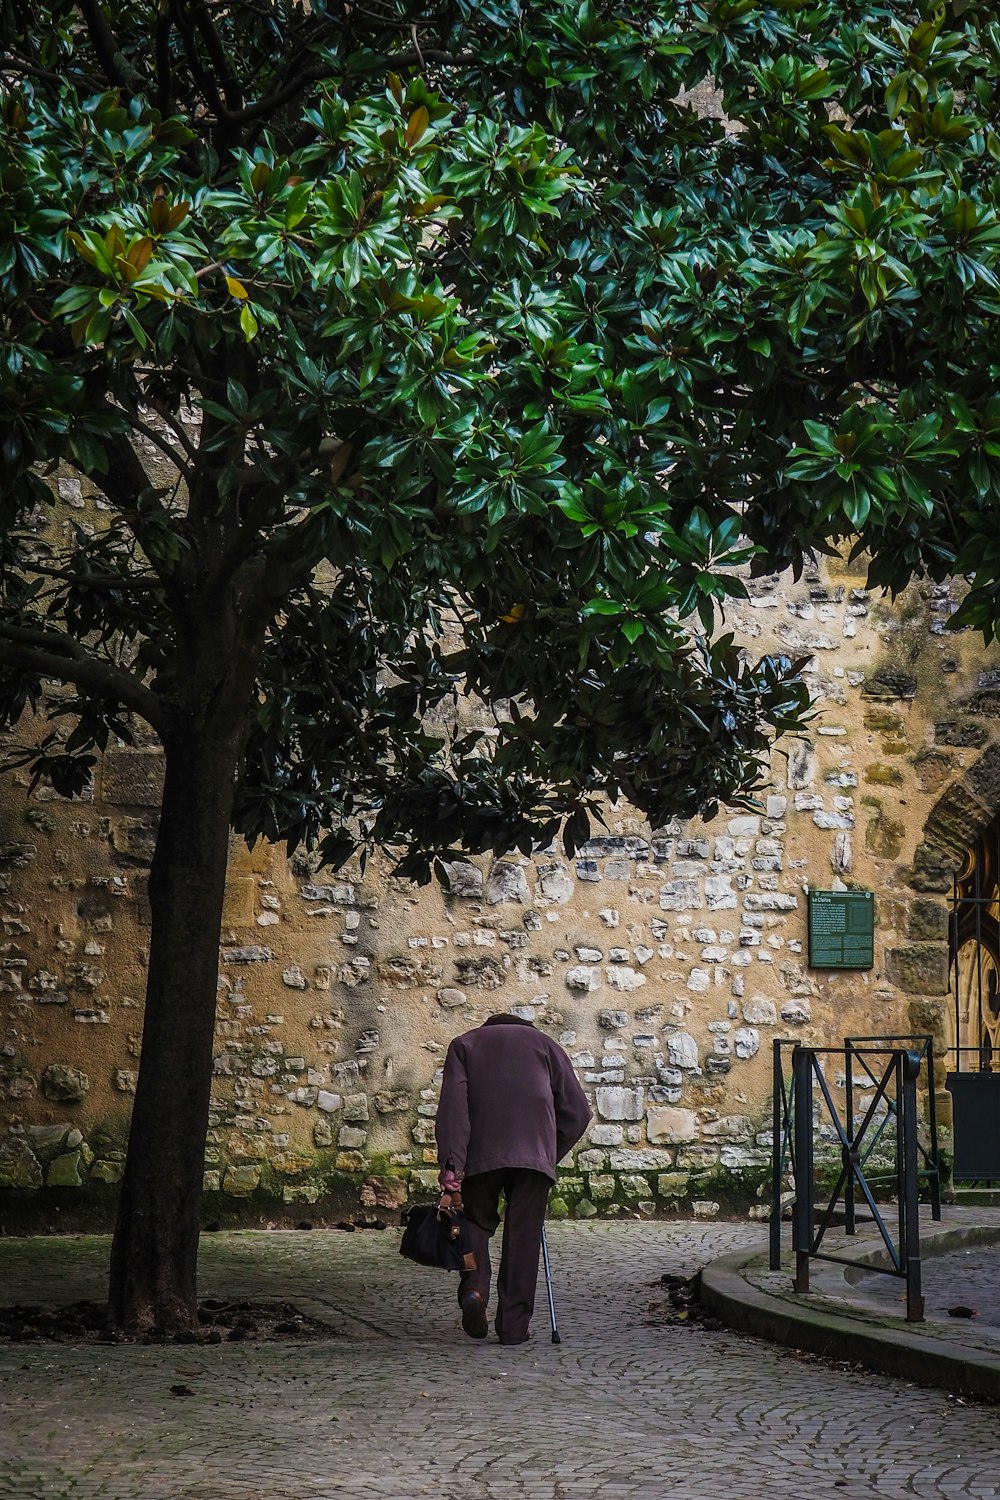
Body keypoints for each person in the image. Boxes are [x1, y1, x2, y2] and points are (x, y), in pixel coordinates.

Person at [435, 1012, 592, 1345]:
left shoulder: (464, 1044)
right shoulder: (546, 1046)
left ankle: (475, 1289)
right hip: (533, 1156)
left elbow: (453, 1109)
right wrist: (549, 1152)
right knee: (523, 1237)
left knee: (475, 1223)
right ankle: (513, 1328)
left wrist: (453, 1164)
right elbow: (579, 1112)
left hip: (481, 1156)